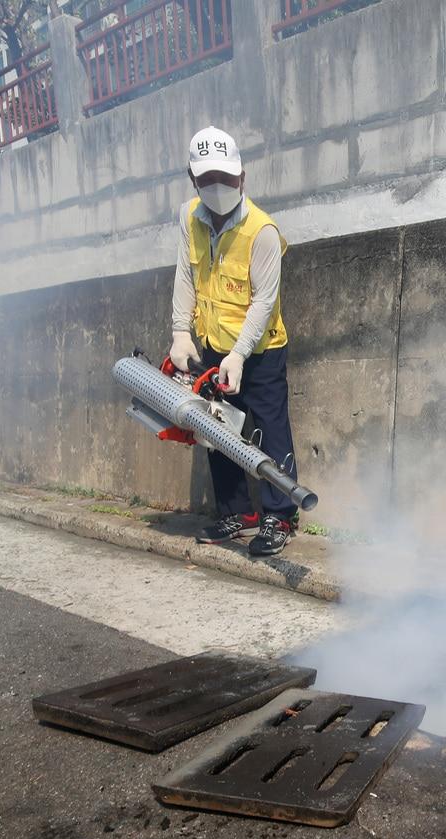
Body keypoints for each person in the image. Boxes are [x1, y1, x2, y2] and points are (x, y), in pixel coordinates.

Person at [169, 125, 300, 557]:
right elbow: (186, 273)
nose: (218, 187)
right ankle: (236, 512)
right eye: (208, 180)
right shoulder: (189, 217)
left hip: (260, 352)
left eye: (226, 178)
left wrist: (240, 355)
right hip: (211, 345)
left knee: (269, 432)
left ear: (242, 177)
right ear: (193, 180)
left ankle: (279, 515)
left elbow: (264, 301)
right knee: (215, 429)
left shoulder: (262, 231)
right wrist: (179, 332)